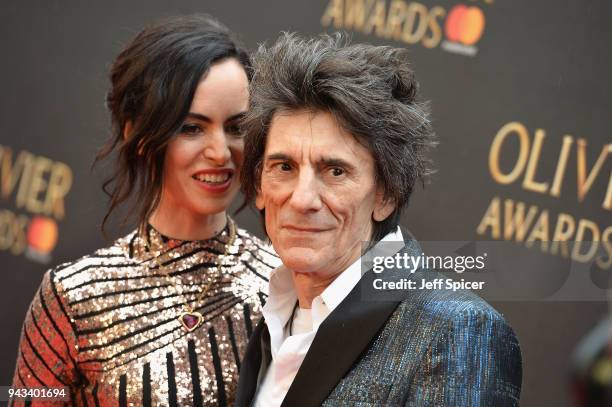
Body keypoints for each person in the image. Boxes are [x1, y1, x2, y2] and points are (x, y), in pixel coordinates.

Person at [235, 33, 522, 406]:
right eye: (283, 167)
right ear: (258, 185)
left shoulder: (457, 330)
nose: (303, 198)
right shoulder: (272, 320)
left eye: (335, 171)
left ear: (386, 194)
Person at [11, 15, 278, 406]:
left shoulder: (284, 285)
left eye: (236, 127)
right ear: (137, 132)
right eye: (191, 128)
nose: (220, 153)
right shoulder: (72, 297)